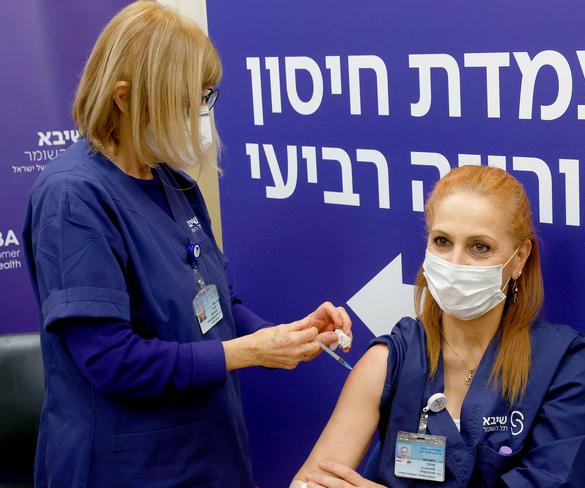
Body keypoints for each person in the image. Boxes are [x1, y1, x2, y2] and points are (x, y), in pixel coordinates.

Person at [22, 2, 351, 487]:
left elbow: (217, 307)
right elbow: (111, 361)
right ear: (124, 98)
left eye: (205, 97)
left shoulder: (172, 185)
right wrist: (250, 352)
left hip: (207, 453)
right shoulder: (74, 196)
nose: (200, 116)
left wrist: (286, 336)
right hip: (128, 465)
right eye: (186, 100)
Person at [293, 166, 585, 487]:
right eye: (442, 241)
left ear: (519, 258)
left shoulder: (561, 364)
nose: (455, 263)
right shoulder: (390, 360)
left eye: (479, 246)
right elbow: (311, 481)